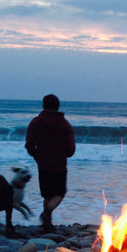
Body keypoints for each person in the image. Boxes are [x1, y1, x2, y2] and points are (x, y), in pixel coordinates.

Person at [25, 94, 75, 231]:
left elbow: (29, 144)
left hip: (43, 164)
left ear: (43, 105)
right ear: (58, 106)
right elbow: (71, 148)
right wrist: (65, 154)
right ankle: (46, 215)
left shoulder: (36, 122)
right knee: (59, 193)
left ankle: (47, 223)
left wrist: (36, 156)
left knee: (47, 194)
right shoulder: (64, 124)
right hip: (59, 164)